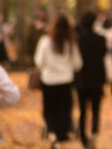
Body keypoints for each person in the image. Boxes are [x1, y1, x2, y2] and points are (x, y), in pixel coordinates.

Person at [35, 14, 82, 146]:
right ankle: (62, 136)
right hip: (65, 80)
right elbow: (78, 64)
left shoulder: (45, 41)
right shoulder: (71, 43)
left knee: (49, 108)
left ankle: (51, 132)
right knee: (64, 109)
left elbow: (38, 61)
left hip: (48, 80)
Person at [76, 12, 107, 148]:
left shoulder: (78, 40)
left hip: (82, 80)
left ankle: (83, 138)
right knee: (95, 110)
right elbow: (104, 53)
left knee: (83, 111)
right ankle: (94, 134)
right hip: (97, 79)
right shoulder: (100, 39)